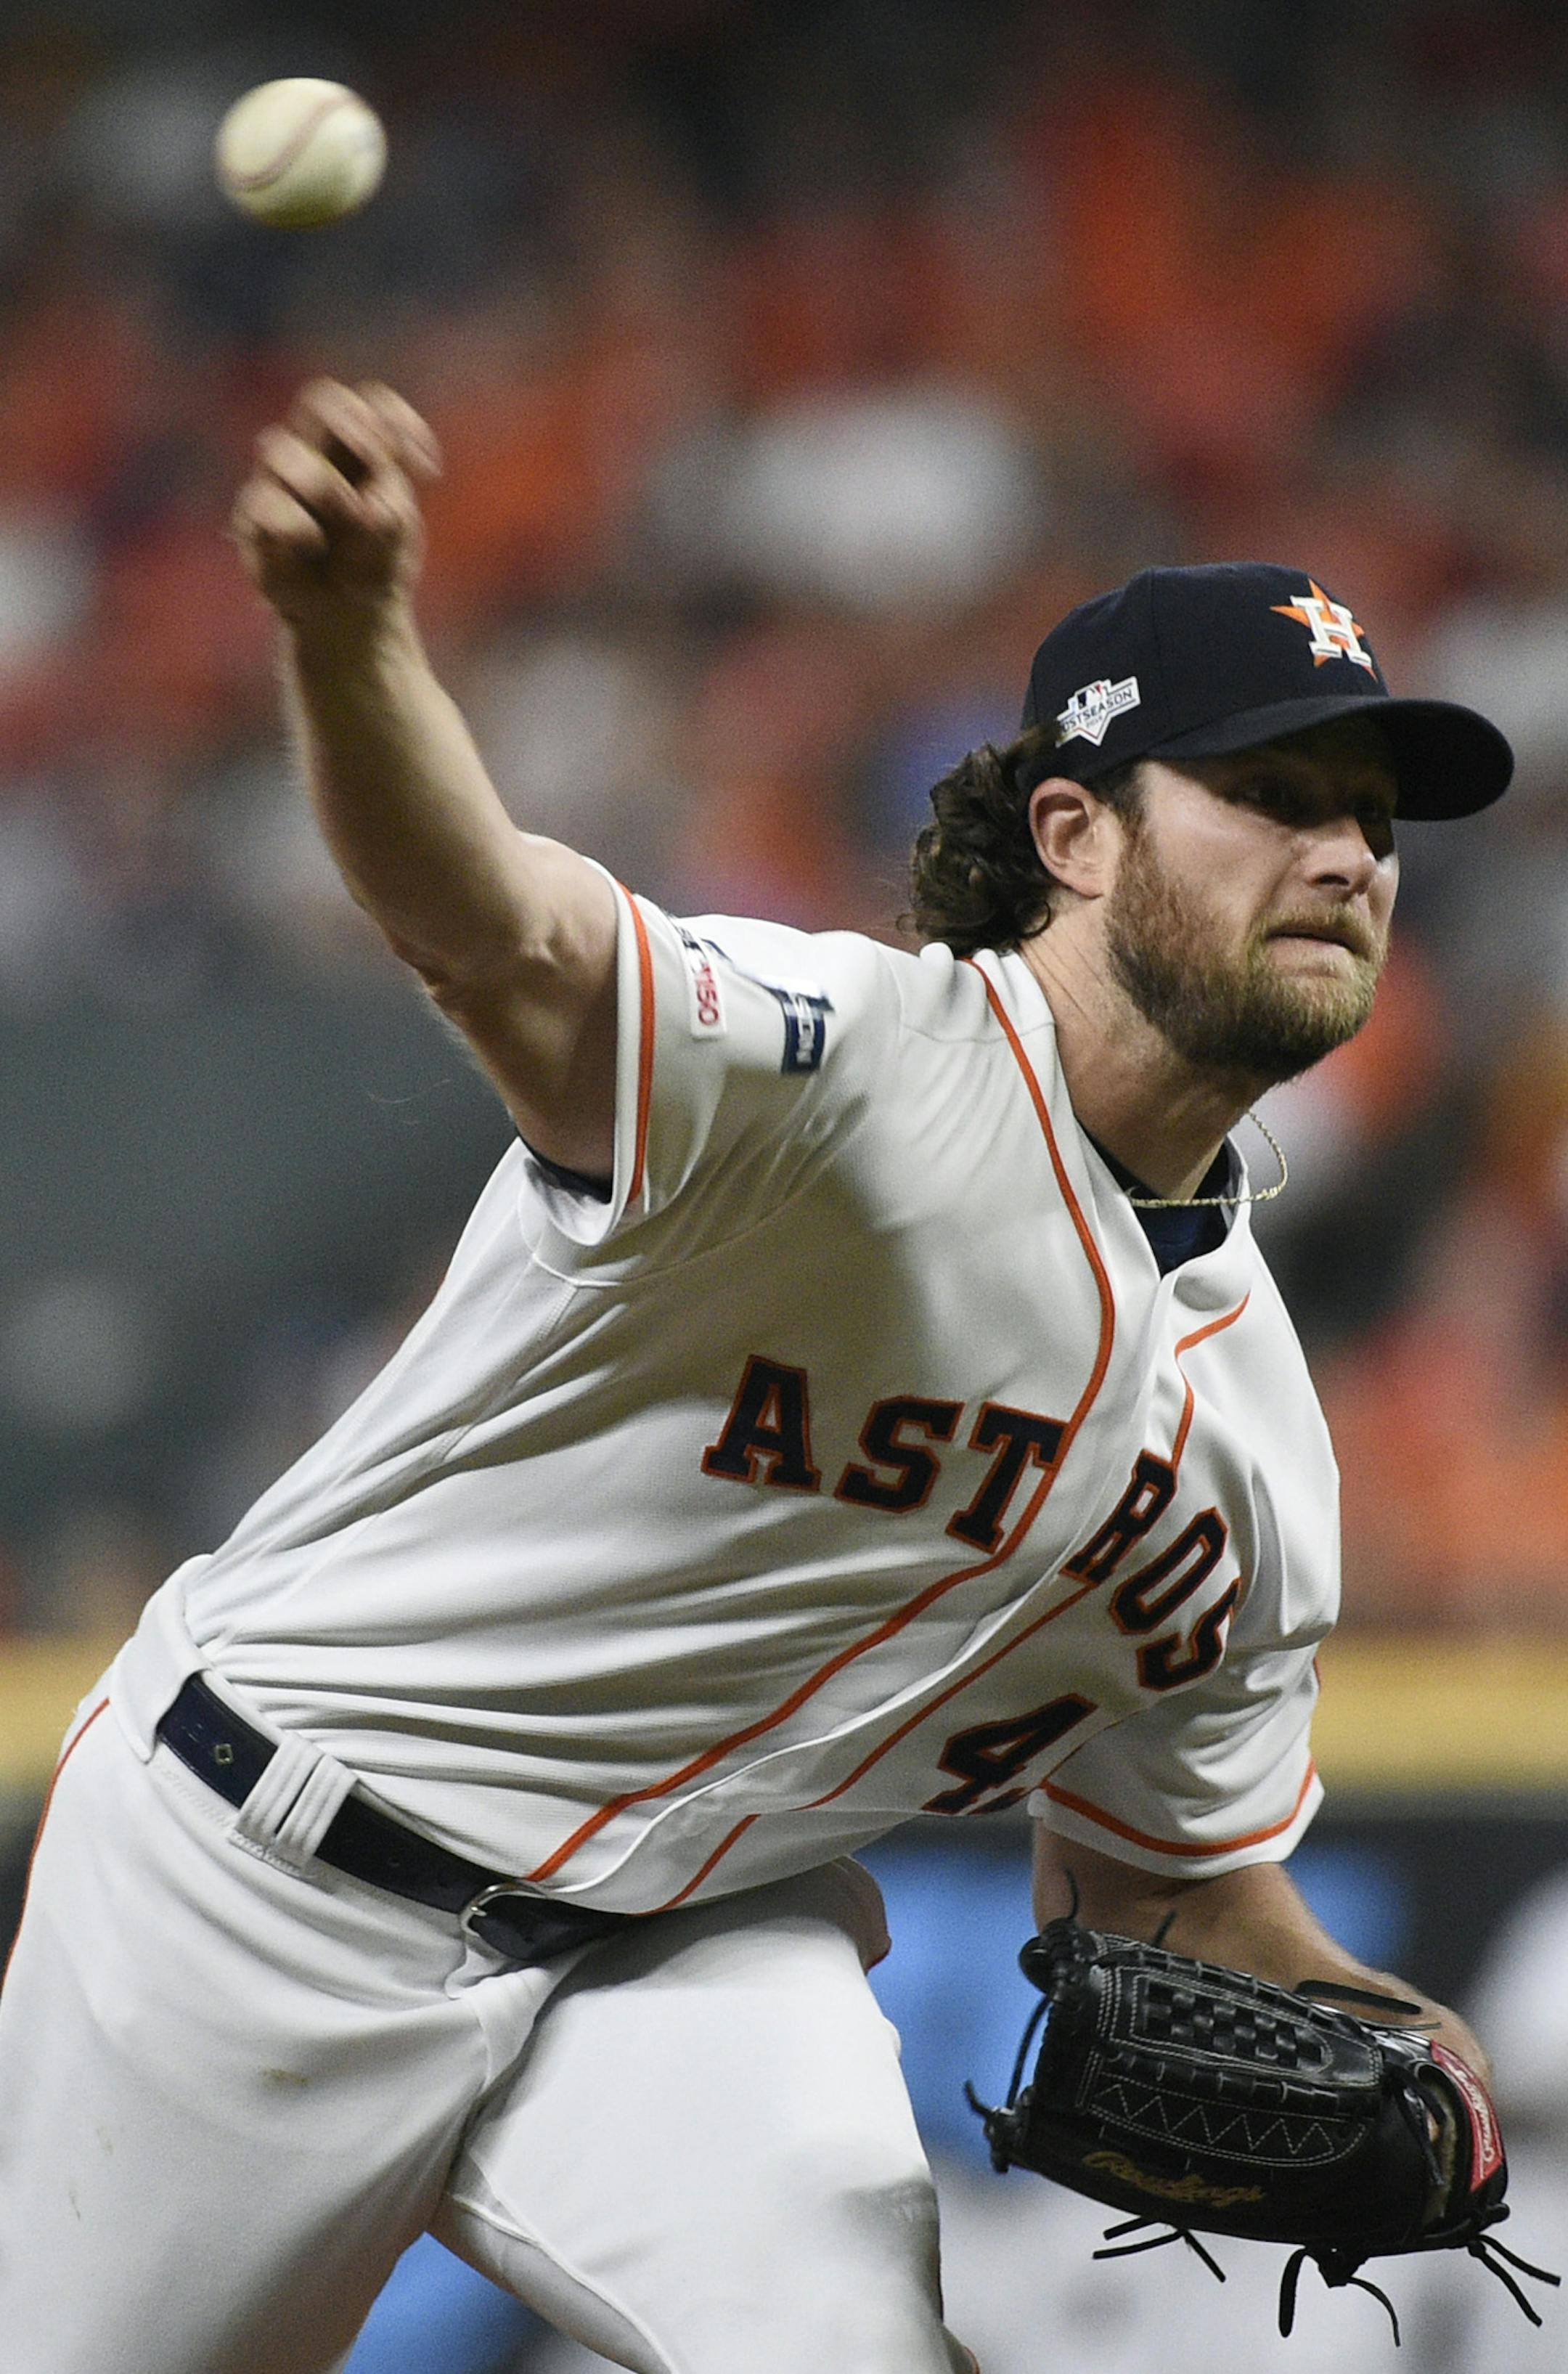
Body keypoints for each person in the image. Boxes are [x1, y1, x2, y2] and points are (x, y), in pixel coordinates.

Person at [0, 381, 1517, 2374]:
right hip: (261, 1873)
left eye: (1374, 821)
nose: (1346, 853)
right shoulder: (841, 1065)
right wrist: (355, 642)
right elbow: (495, 929)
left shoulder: (1259, 1450)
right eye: (1277, 792)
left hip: (691, 1949)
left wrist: (1396, 2031)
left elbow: (1176, 1887)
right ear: (1072, 831)